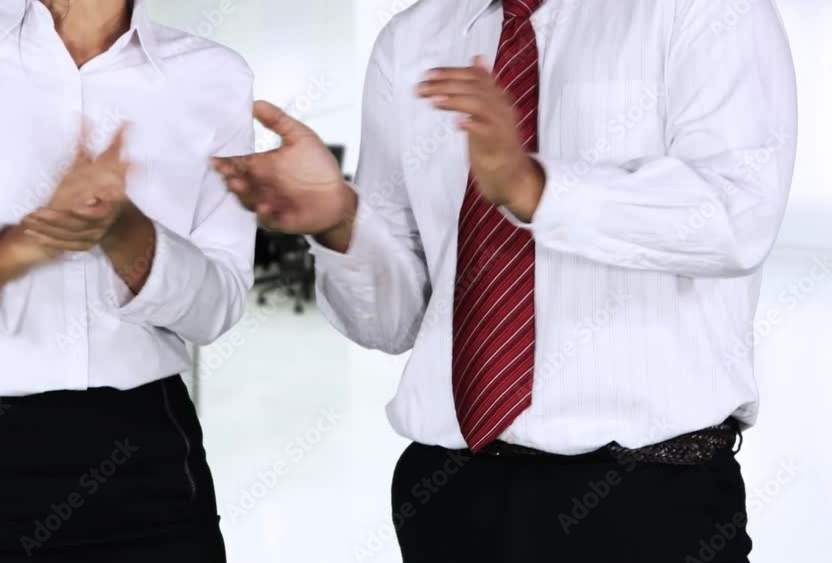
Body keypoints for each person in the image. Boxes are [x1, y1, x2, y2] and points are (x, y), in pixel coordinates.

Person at [213, 0, 797, 561]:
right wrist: (341, 225)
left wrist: (534, 188)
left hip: (647, 499)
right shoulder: (411, 40)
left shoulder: (701, 7)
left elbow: (736, 216)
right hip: (450, 493)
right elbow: (396, 324)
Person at [0, 0, 254, 560]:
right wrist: (26, 244)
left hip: (150, 464)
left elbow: (219, 305)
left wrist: (129, 237)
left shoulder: (214, 76)